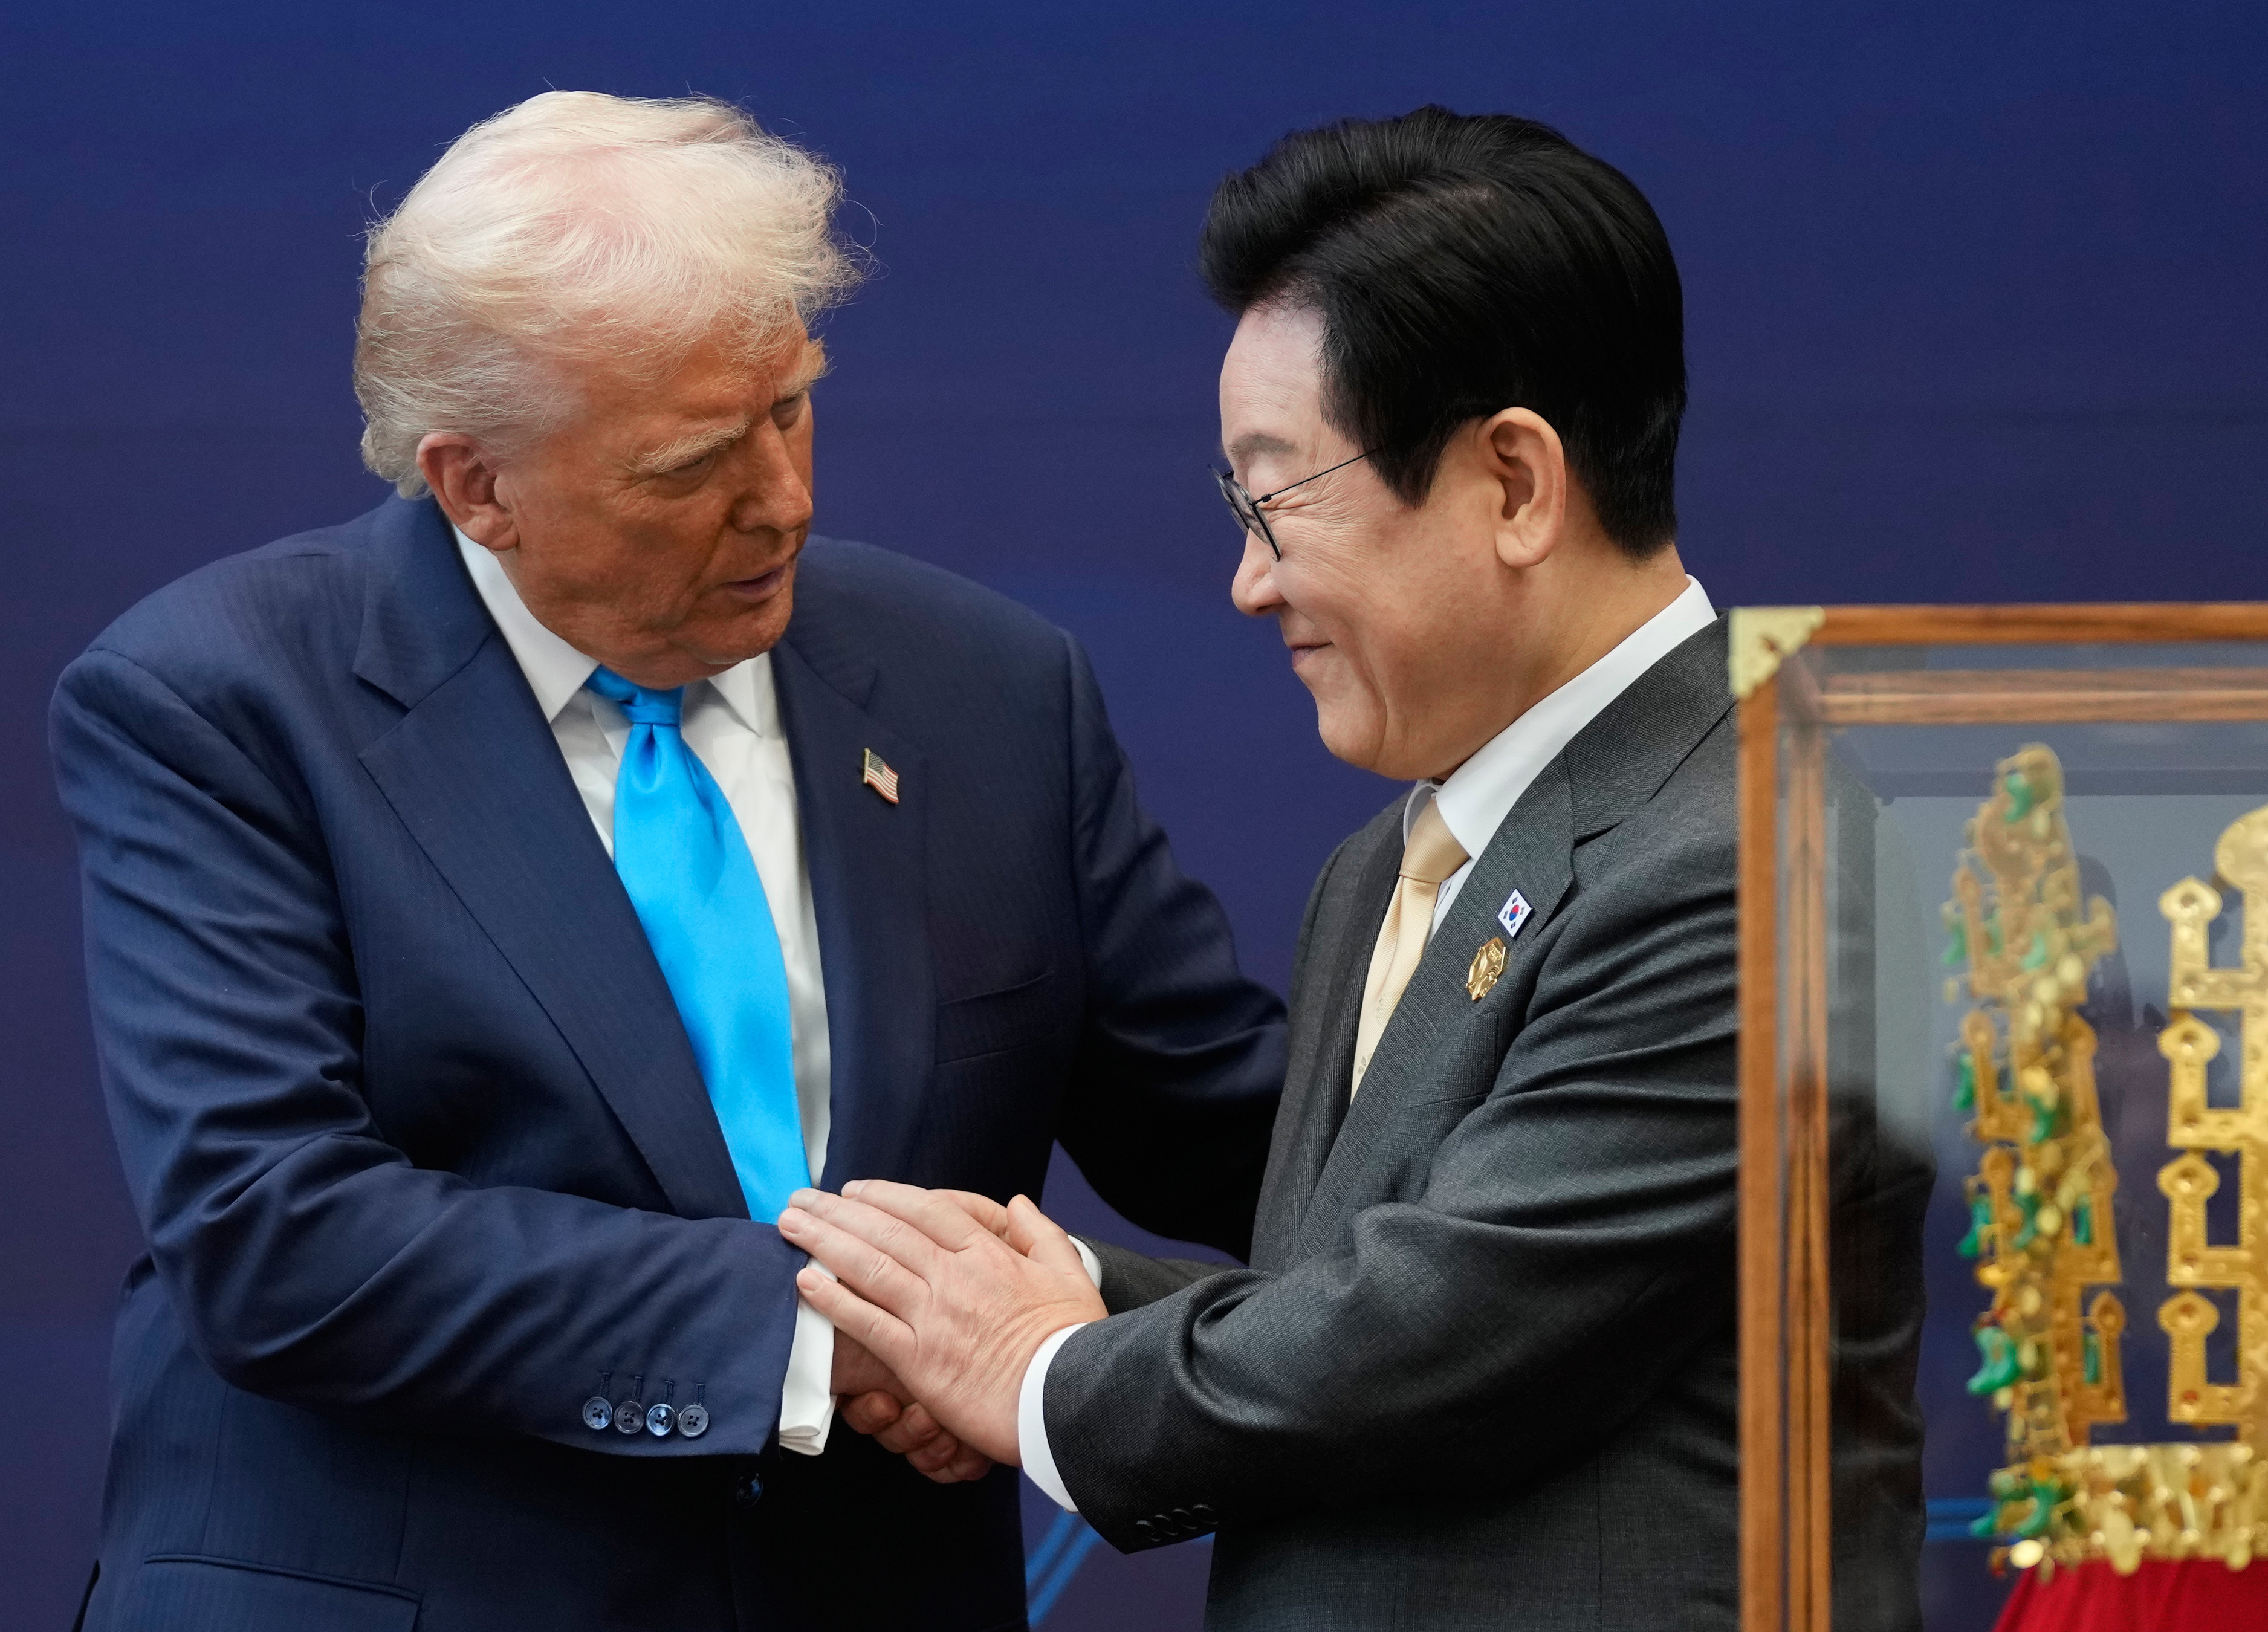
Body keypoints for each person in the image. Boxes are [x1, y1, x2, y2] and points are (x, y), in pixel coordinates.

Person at [50, 91, 1285, 1632]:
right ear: (473, 485)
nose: (786, 498)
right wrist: (849, 1334)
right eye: (691, 462)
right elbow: (274, 1232)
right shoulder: (223, 699)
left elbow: (1255, 1141)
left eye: (792, 407)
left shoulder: (985, 684)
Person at [782, 106, 1930, 1630]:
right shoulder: (1386, 866)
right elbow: (1382, 1311)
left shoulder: (1750, 858)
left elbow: (1444, 1338)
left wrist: (1038, 1367)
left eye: (1279, 499)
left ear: (1514, 484)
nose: (1249, 583)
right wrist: (1053, 1292)